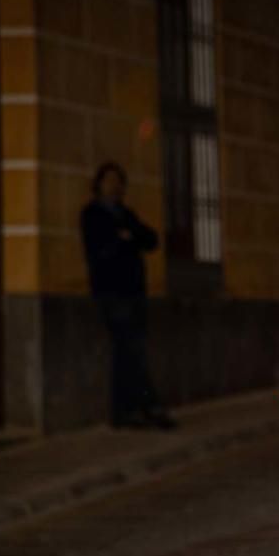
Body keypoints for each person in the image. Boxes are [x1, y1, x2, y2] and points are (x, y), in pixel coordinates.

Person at [80, 162, 175, 430]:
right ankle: (148, 407)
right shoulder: (92, 214)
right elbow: (101, 250)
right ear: (98, 184)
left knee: (128, 352)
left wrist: (127, 237)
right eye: (108, 180)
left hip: (133, 293)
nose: (113, 186)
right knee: (130, 349)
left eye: (117, 181)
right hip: (111, 293)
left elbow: (150, 239)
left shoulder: (126, 214)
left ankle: (126, 412)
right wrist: (122, 240)